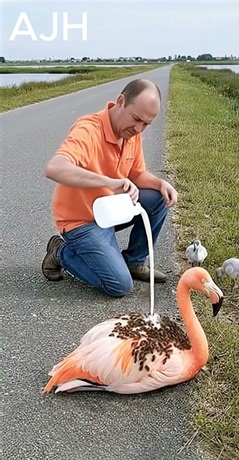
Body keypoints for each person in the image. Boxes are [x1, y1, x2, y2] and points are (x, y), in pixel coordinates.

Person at [42, 78, 178, 297]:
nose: (139, 129)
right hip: (82, 221)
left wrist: (160, 183)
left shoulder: (131, 133)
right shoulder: (88, 129)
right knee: (119, 286)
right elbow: (55, 168)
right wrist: (108, 182)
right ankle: (61, 252)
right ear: (121, 101)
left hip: (110, 210)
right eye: (136, 119)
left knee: (158, 198)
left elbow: (136, 173)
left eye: (146, 124)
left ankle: (134, 262)